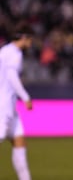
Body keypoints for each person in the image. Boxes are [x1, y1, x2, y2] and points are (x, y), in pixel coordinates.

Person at [0, 22, 34, 180]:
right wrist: (26, 97)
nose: (31, 43)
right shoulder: (15, 54)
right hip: (3, 105)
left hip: (10, 106)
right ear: (24, 38)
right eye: (30, 39)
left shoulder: (5, 51)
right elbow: (12, 77)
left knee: (19, 141)